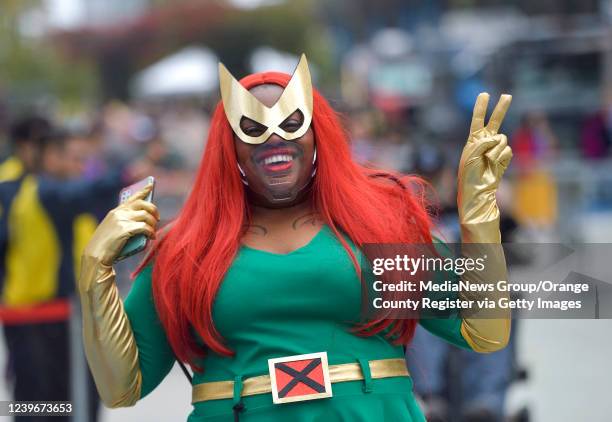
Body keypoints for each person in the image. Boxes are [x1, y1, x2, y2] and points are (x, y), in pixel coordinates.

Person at [77, 55, 513, 421]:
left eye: (292, 123)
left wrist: (478, 213)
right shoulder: (187, 248)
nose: (274, 138)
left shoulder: (379, 224)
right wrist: (94, 271)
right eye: (252, 128)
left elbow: (483, 333)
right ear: (228, 145)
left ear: (317, 133)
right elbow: (122, 388)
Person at [0, 117, 146, 421]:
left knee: (68, 400)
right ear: (45, 154)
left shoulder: (44, 189)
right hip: (39, 315)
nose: (83, 168)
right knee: (42, 405)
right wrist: (129, 173)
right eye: (76, 159)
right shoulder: (34, 190)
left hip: (57, 313)